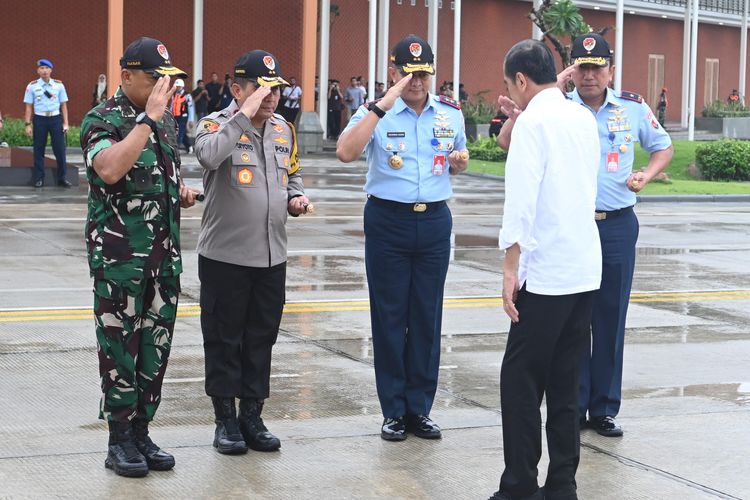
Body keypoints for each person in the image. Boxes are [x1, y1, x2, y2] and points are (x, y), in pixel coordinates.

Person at [501, 33, 674, 439]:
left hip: (614, 224)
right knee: (571, 326)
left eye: (598, 67)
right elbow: (510, 143)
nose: (590, 75)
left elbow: (662, 146)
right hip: (571, 229)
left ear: (611, 70)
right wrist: (516, 114)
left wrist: (645, 176)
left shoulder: (631, 108)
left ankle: (605, 407)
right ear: (571, 70)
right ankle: (573, 405)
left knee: (609, 320)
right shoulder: (559, 106)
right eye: (582, 67)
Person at [336, 34, 469, 442]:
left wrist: (458, 164)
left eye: (423, 73)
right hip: (388, 221)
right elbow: (345, 152)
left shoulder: (450, 114)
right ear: (393, 73)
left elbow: (456, 160)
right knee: (390, 316)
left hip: (433, 221)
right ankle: (393, 410)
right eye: (407, 73)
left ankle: (420, 409)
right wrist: (380, 105)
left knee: (427, 317)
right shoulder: (377, 112)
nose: (416, 80)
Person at [80, 36, 199, 478]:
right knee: (120, 351)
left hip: (162, 260)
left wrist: (178, 193)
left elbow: (152, 178)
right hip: (120, 262)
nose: (163, 88)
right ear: (126, 75)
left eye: (167, 80)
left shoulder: (163, 124)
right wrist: (146, 121)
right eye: (155, 79)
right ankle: (119, 439)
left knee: (155, 350)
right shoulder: (103, 120)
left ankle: (143, 431)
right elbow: (109, 168)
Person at [488, 39, 601, 500]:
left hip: (548, 273)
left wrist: (509, 270)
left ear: (519, 79)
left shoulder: (533, 122)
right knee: (565, 383)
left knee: (519, 382)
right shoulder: (581, 116)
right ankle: (562, 485)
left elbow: (520, 203)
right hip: (583, 269)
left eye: (509, 85)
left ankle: (518, 486)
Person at [194, 49, 310, 456]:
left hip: (271, 256)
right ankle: (224, 419)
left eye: (275, 88)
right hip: (225, 256)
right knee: (224, 339)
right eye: (262, 89)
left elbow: (291, 174)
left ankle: (252, 416)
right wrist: (242, 114)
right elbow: (208, 156)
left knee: (261, 338)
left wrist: (296, 198)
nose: (272, 97)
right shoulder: (215, 124)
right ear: (237, 88)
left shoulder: (283, 129)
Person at [23, 58, 70, 188]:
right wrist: (27, 124)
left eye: (46, 68)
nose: (44, 71)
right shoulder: (32, 86)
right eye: (41, 68)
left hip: (55, 119)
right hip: (39, 119)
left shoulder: (59, 85)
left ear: (51, 70)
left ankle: (62, 178)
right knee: (38, 149)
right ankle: (39, 178)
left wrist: (66, 123)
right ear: (38, 71)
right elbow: (28, 107)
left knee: (59, 150)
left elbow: (64, 105)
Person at [172, 79, 192, 153]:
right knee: (181, 131)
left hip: (183, 116)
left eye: (179, 86)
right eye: (176, 86)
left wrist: (191, 120)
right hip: (175, 116)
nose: (177, 88)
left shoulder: (187, 95)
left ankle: (176, 148)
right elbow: (172, 106)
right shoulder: (174, 94)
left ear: (182, 86)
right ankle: (189, 146)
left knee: (180, 131)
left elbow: (191, 108)